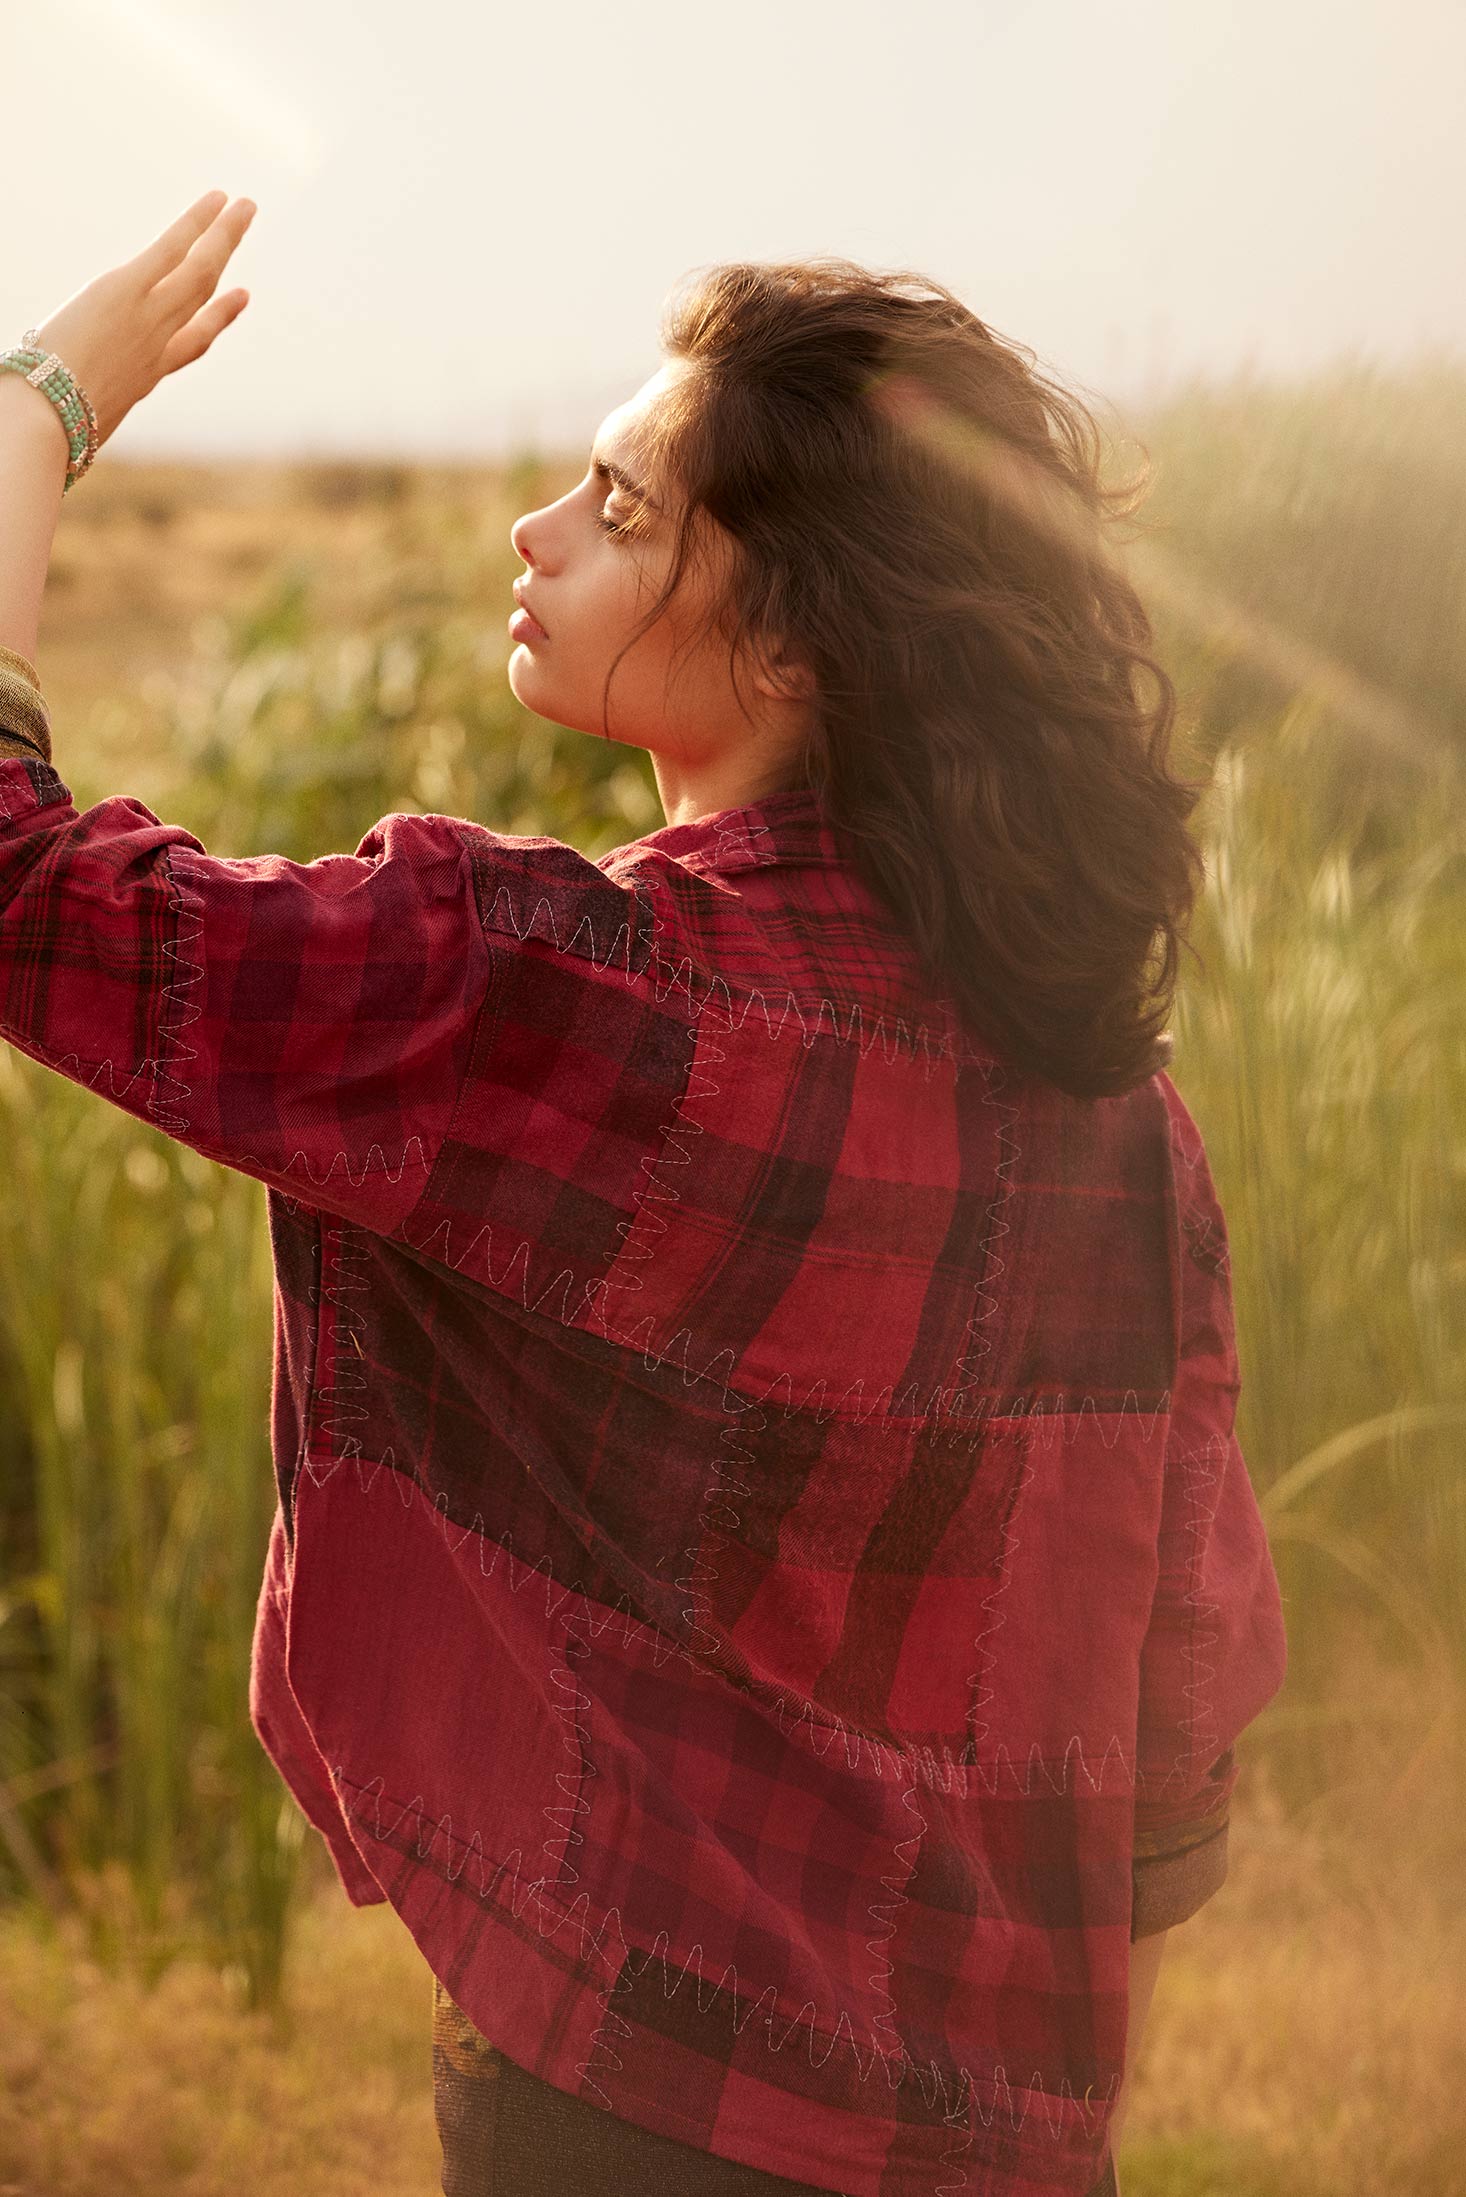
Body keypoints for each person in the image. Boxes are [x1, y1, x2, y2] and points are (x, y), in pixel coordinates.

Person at [0, 194, 1286, 2197]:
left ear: (784, 628)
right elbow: (1176, 1713)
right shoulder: (1122, 1124)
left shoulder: (532, 991)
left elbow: (29, 897)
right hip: (1004, 2143)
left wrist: (40, 411)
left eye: (615, 500)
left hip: (629, 2112)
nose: (536, 528)